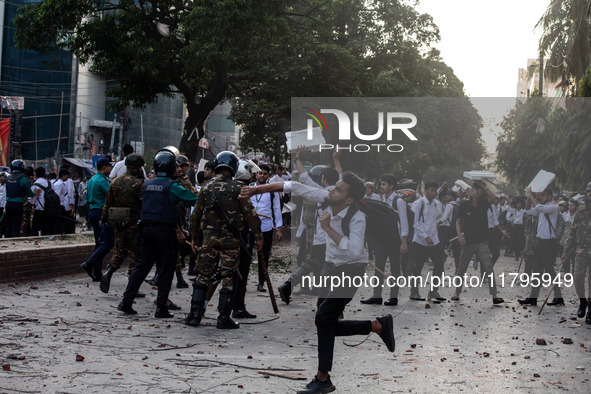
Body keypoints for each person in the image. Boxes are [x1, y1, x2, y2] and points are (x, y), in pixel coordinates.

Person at [297, 172, 395, 394]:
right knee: (325, 321)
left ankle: (323, 379)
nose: (332, 190)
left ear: (348, 199)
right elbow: (300, 187)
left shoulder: (357, 217)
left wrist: (328, 229)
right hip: (331, 270)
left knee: (324, 318)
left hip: (350, 272)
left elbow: (354, 251)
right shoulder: (329, 201)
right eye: (335, 187)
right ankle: (377, 325)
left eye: (339, 189)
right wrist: (256, 190)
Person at [185, 151, 263, 328]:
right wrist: (258, 237)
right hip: (230, 243)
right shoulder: (238, 188)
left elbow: (196, 215)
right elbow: (251, 216)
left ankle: (195, 315)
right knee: (228, 277)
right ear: (234, 168)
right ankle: (223, 317)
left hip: (209, 240)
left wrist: (195, 238)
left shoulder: (206, 187)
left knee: (203, 276)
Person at [118, 148, 198, 318]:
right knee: (166, 268)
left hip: (146, 230)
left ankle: (126, 302)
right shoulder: (172, 186)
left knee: (142, 266)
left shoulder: (146, 184)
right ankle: (161, 307)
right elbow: (192, 199)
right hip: (165, 232)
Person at [453, 180, 505, 305]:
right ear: (472, 190)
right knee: (462, 268)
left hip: (482, 241)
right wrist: (459, 235)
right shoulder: (464, 205)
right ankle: (457, 292)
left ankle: (494, 295)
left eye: (479, 189)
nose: (477, 191)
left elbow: (493, 197)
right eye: (475, 189)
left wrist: (484, 187)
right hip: (468, 242)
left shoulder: (484, 204)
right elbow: (458, 220)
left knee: (488, 266)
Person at [99, 153, 145, 294]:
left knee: (119, 251)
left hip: (118, 223)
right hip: (133, 224)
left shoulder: (115, 182)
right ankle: (132, 287)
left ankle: (109, 271)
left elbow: (107, 204)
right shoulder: (138, 184)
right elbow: (143, 204)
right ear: (137, 168)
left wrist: (104, 219)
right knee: (134, 255)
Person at [361, 174, 407, 305]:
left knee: (395, 269)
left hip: (394, 240)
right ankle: (377, 295)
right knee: (378, 267)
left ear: (391, 186)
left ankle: (393, 296)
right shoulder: (381, 200)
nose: (381, 187)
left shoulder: (398, 201)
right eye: (381, 184)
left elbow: (403, 223)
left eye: (384, 184)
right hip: (381, 239)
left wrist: (403, 242)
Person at [518, 187, 564, 307]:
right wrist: (529, 198)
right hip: (540, 242)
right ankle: (533, 298)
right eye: (539, 196)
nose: (540, 198)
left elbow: (539, 207)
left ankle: (558, 297)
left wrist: (531, 196)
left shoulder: (553, 207)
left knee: (549, 271)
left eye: (543, 195)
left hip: (549, 243)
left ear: (549, 196)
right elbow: (529, 210)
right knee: (537, 271)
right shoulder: (542, 207)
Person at [407, 181, 445, 302]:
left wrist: (433, 236)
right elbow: (415, 223)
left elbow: (434, 220)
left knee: (439, 264)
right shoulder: (419, 203)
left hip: (434, 240)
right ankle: (414, 291)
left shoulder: (436, 204)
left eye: (434, 190)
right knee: (418, 266)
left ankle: (433, 291)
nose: (433, 193)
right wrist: (425, 237)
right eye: (431, 190)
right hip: (420, 241)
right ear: (426, 190)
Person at [249, 164, 283, 292]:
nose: (262, 176)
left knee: (263, 255)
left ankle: (261, 282)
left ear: (268, 175)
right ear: (256, 174)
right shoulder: (249, 188)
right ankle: (243, 281)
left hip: (266, 227)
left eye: (264, 174)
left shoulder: (272, 190)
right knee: (246, 254)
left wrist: (279, 228)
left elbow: (276, 209)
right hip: (250, 227)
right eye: (260, 173)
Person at [562, 182, 591, 323]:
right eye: (589, 191)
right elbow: (573, 231)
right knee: (578, 277)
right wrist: (566, 249)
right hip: (582, 249)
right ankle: (582, 301)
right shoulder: (581, 211)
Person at [81, 157, 113, 281]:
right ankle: (89, 263)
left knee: (99, 243)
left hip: (93, 212)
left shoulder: (92, 180)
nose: (111, 169)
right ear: (104, 167)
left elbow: (87, 199)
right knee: (108, 242)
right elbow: (111, 195)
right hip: (102, 213)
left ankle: (96, 272)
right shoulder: (103, 181)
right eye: (110, 166)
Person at [5, 160, 38, 238]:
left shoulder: (8, 178)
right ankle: (14, 242)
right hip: (17, 205)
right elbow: (29, 193)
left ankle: (6, 239)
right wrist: (35, 193)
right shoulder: (23, 180)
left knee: (9, 225)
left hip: (8, 204)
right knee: (16, 225)